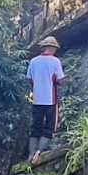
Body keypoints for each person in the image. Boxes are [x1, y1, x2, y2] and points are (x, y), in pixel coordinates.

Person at [27, 36, 65, 164]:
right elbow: (60, 80)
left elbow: (30, 80)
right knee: (50, 127)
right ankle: (39, 152)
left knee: (36, 126)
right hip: (50, 100)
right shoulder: (55, 61)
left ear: (43, 48)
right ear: (53, 48)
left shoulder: (33, 61)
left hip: (37, 100)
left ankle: (30, 154)